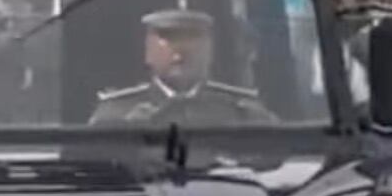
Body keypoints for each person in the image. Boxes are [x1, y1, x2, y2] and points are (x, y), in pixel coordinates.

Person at [89, 9, 277, 128]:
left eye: (192, 37)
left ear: (210, 50)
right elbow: (92, 164)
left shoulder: (242, 112)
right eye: (169, 37)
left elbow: (277, 159)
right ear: (148, 51)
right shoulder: (116, 113)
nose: (181, 48)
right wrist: (129, 138)